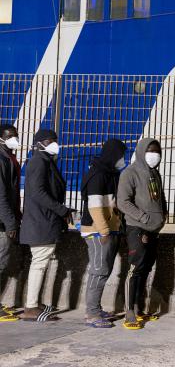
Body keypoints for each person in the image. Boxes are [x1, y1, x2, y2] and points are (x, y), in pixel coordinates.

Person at [20, 130, 70, 322]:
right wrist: (62, 210)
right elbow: (39, 193)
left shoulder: (45, 161)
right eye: (50, 141)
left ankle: (35, 303)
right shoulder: (38, 162)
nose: (54, 144)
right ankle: (31, 307)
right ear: (39, 143)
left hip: (44, 220)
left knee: (40, 263)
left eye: (55, 141)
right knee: (39, 264)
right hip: (41, 221)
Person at [117, 138, 167, 330]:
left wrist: (163, 216)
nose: (154, 155)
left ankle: (138, 308)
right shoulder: (130, 173)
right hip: (137, 228)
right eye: (150, 151)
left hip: (154, 230)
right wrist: (143, 218)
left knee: (146, 269)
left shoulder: (155, 174)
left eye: (157, 151)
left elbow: (160, 198)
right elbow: (123, 202)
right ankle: (129, 311)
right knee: (134, 269)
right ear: (141, 152)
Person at [79, 138, 127, 328]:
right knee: (98, 271)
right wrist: (104, 230)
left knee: (103, 271)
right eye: (121, 155)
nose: (122, 159)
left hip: (108, 229)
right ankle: (91, 313)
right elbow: (95, 206)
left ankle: (96, 309)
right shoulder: (98, 174)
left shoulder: (110, 173)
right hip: (97, 231)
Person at [0, 125, 22, 321]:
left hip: (5, 218)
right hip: (2, 221)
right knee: (0, 263)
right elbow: (1, 195)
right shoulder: (1, 160)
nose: (14, 139)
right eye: (9, 136)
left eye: (15, 135)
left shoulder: (9, 157)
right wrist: (10, 223)